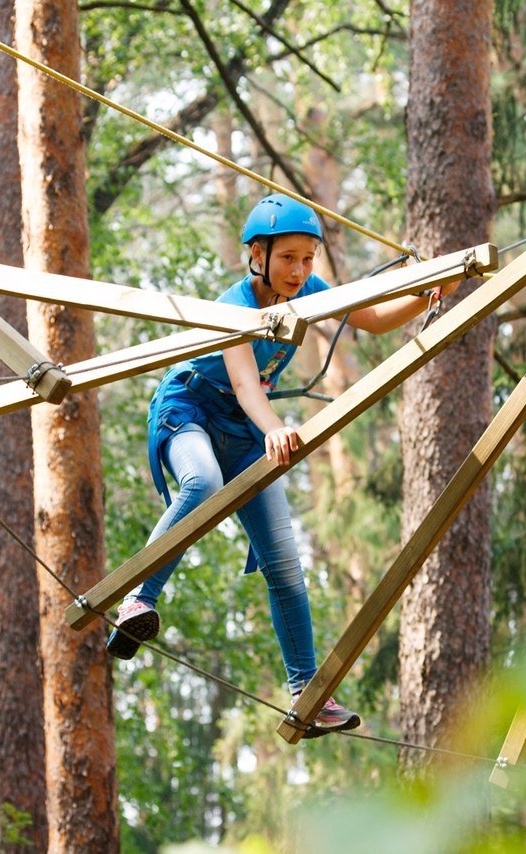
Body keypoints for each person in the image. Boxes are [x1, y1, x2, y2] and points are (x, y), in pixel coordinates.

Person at [107, 193, 460, 735]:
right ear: (258, 255)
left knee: (287, 568)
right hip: (192, 409)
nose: (300, 270)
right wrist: (276, 429)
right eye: (289, 258)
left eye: (308, 258)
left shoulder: (310, 291)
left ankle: (308, 692)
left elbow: (371, 318)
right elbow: (248, 383)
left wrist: (426, 295)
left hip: (246, 430)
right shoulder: (235, 307)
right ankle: (138, 601)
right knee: (201, 483)